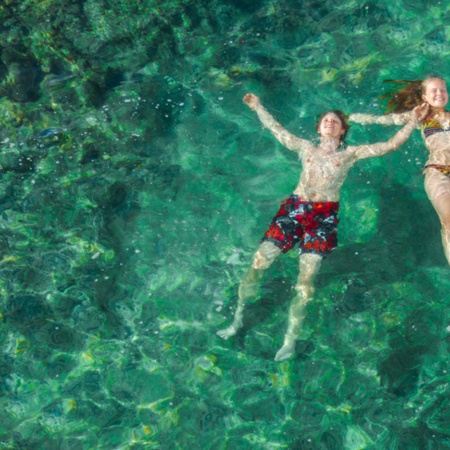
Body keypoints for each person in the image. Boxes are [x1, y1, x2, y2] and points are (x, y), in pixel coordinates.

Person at [217, 93, 427, 362]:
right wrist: (257, 105)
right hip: (294, 210)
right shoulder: (305, 147)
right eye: (326, 120)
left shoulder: (351, 153)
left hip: (323, 218)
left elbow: (389, 145)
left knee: (306, 281)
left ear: (343, 130)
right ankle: (237, 320)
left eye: (335, 121)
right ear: (318, 128)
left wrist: (412, 122)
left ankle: (290, 341)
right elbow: (276, 129)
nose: (330, 122)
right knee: (259, 261)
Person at [350, 75, 450, 265]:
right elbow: (385, 120)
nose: (439, 93)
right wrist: (355, 118)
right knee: (449, 220)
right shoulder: (421, 117)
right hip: (438, 172)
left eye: (443, 90)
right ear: (425, 97)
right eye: (434, 91)